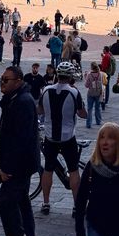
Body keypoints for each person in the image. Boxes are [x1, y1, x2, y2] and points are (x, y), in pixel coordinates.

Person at [0, 66, 40, 236]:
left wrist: (6, 169)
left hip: (19, 163)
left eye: (6, 80)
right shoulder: (15, 99)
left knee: (5, 200)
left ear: (18, 81)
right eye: (1, 79)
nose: (2, 83)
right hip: (24, 161)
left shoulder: (22, 101)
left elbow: (20, 139)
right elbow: (11, 125)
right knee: (21, 200)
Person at [38, 61, 87, 215]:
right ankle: (76, 206)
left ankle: (46, 203)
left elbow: (39, 109)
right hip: (67, 137)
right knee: (73, 171)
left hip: (50, 137)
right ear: (71, 76)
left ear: (58, 75)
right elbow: (82, 114)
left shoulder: (46, 90)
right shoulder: (74, 92)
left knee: (48, 170)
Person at [84, 62, 104, 129]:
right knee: (97, 108)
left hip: (91, 93)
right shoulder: (100, 74)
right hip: (98, 93)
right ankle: (98, 121)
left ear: (91, 67)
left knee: (89, 109)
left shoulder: (89, 75)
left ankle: (88, 123)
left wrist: (85, 76)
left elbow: (86, 85)